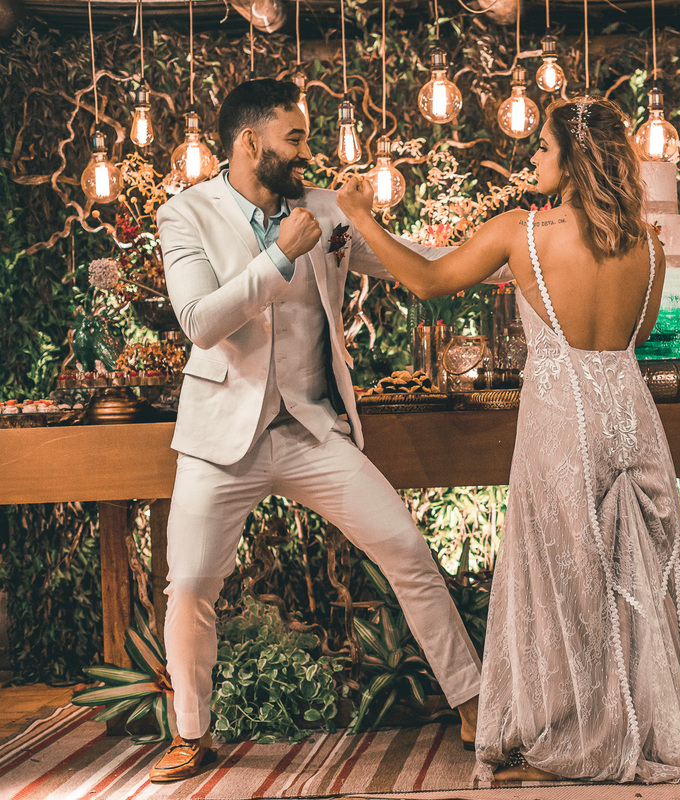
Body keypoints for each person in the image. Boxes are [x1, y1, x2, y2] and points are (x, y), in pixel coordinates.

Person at [337, 96, 680, 783]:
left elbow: (427, 280)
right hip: (629, 410)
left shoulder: (520, 232)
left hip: (561, 415)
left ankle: (578, 726)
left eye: (544, 150)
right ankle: (645, 725)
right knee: (638, 571)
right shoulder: (646, 242)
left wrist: (358, 217)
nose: (532, 159)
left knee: (563, 574)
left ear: (574, 161)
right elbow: (640, 337)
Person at [149, 78, 481, 783]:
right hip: (220, 439)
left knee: (405, 548)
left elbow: (407, 261)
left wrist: (382, 221)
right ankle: (191, 732)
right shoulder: (185, 214)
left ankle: (475, 701)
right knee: (191, 584)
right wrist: (279, 257)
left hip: (309, 427)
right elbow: (200, 323)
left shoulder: (324, 212)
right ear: (249, 143)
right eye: (294, 139)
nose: (307, 152)